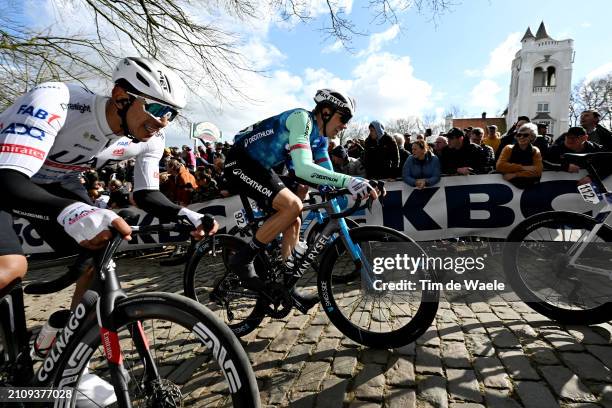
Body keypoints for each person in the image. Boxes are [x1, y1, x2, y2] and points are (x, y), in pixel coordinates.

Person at [0, 57, 218, 406]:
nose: (163, 121)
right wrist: (72, 211)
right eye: (158, 108)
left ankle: (67, 347)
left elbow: (146, 194)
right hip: (6, 175)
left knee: (98, 249)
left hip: (56, 179)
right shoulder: (58, 99)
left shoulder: (150, 138)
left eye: (172, 114)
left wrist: (184, 214)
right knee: (11, 268)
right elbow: (8, 181)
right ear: (121, 96)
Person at [224, 89, 379, 301]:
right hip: (240, 163)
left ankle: (287, 287)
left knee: (293, 220)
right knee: (292, 206)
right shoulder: (301, 119)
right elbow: (304, 168)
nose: (345, 126)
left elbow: (328, 176)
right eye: (343, 118)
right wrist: (350, 181)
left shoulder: (320, 140)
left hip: (262, 168)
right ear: (325, 112)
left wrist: (363, 184)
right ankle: (242, 259)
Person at [496, 123, 543, 189]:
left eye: (525, 135)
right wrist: (525, 168)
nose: (521, 137)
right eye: (519, 135)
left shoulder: (535, 150)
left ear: (532, 136)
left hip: (529, 189)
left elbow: (538, 171)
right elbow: (500, 166)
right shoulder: (508, 148)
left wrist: (515, 174)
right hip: (508, 188)